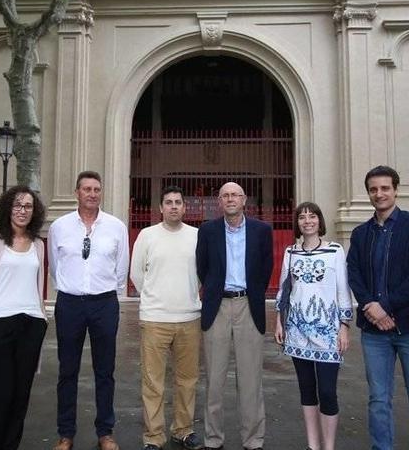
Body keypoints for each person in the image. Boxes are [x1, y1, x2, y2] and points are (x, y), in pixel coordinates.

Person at [346, 165, 409, 450]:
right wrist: (371, 307)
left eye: (385, 188)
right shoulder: (361, 233)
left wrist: (385, 306)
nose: (379, 194)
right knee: (378, 399)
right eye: (373, 189)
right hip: (374, 332)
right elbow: (354, 273)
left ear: (396, 190)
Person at [48, 171, 129, 450]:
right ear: (77, 192)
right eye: (86, 189)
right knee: (67, 371)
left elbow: (122, 268)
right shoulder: (59, 226)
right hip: (69, 304)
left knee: (105, 371)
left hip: (104, 304)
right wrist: (71, 289)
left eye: (96, 189)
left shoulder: (116, 226)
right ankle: (65, 434)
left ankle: (105, 432)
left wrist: (105, 289)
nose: (92, 194)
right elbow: (55, 266)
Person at [0, 185, 48, 450]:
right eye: (17, 205)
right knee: (0, 396)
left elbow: (37, 285)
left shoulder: (38, 245)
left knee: (20, 396)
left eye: (27, 206)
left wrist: (42, 318)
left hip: (31, 325)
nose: (22, 211)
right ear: (7, 209)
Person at [196, 182, 273, 450]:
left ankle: (253, 440)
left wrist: (252, 294)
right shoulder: (207, 230)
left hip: (248, 306)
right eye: (225, 195)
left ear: (244, 200)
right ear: (219, 201)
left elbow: (266, 267)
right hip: (217, 306)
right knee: (214, 380)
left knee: (251, 379)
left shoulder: (262, 230)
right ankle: (213, 439)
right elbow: (202, 266)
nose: (230, 199)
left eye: (235, 195)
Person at [275, 202, 352, 450]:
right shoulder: (290, 253)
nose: (307, 221)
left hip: (328, 332)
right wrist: (279, 322)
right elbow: (283, 290)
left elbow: (343, 290)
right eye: (302, 217)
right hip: (297, 332)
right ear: (297, 223)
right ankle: (313, 445)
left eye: (312, 216)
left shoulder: (335, 251)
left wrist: (344, 325)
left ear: (319, 220)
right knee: (307, 391)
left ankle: (328, 446)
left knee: (328, 392)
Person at [130, 185, 203, 450]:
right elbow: (137, 274)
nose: (174, 206)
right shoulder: (147, 236)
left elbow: (202, 271)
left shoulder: (197, 236)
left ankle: (183, 430)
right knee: (153, 382)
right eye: (168, 202)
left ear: (185, 207)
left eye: (178, 202)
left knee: (187, 379)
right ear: (160, 208)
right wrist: (153, 298)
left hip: (189, 317)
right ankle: (154, 436)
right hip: (155, 318)